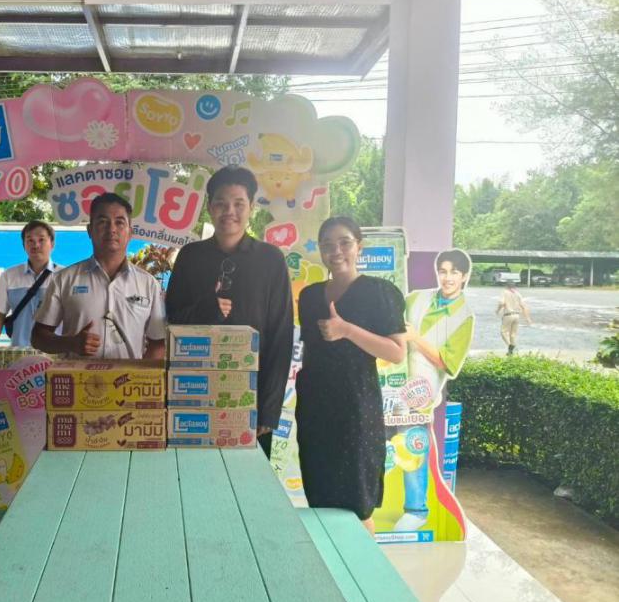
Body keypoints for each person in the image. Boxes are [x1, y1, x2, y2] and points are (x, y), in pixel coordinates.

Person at [165, 165, 294, 458]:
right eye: (221, 203)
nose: (229, 212)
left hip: (251, 401)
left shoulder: (271, 260)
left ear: (251, 207)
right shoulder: (190, 257)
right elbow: (172, 319)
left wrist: (269, 410)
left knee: (247, 480)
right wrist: (206, 310)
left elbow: (281, 336)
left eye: (238, 204)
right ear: (210, 207)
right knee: (194, 474)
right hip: (194, 396)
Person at [295, 217, 407, 533]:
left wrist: (346, 330)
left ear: (360, 247)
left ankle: (362, 564)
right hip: (315, 410)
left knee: (357, 505)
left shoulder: (380, 292)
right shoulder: (310, 296)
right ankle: (330, 561)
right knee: (320, 498)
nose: (336, 251)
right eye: (328, 245)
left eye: (344, 242)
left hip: (356, 410)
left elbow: (396, 352)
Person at [393, 249, 475, 532]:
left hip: (421, 390)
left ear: (464, 276)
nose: (447, 278)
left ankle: (417, 510)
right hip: (392, 378)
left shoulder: (464, 317)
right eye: (443, 271)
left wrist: (416, 338)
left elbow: (447, 362)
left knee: (413, 442)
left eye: (454, 272)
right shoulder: (417, 297)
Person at [32, 193, 165, 359]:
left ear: (130, 232)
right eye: (102, 222)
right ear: (90, 230)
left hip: (130, 376)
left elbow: (158, 343)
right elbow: (38, 337)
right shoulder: (64, 279)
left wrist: (141, 374)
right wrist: (70, 343)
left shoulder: (148, 284)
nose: (112, 229)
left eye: (119, 222)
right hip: (77, 375)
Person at [0, 220, 60, 348]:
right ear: (24, 245)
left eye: (41, 240)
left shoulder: (64, 276)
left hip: (54, 353)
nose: (35, 245)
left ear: (52, 243)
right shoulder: (9, 275)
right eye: (30, 240)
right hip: (20, 352)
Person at [496, 282, 531, 355]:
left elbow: (501, 303)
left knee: (503, 332)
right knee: (513, 334)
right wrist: (527, 318)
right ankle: (512, 351)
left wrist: (497, 310)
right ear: (515, 287)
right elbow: (523, 306)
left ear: (506, 287)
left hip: (508, 315)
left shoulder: (505, 292)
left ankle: (510, 346)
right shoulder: (518, 294)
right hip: (517, 315)